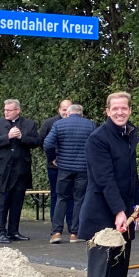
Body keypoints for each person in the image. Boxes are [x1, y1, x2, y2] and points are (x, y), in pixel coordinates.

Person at [79, 92, 139, 277]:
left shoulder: (129, 135)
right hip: (101, 211)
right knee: (102, 265)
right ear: (107, 111)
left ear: (129, 110)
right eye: (115, 109)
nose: (120, 112)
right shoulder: (98, 139)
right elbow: (104, 178)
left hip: (125, 210)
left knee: (120, 262)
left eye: (124, 108)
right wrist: (119, 211)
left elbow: (131, 175)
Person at [0, 99, 41, 243]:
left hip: (21, 169)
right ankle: (1, 232)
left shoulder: (29, 124)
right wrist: (7, 137)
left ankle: (13, 231)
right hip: (2, 170)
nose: (6, 112)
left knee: (17, 202)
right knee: (2, 203)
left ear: (17, 110)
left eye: (9, 110)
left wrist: (22, 137)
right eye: (5, 110)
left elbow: (36, 141)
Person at [43, 103, 95, 243]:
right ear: (81, 114)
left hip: (64, 168)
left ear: (68, 113)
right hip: (83, 169)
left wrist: (52, 158)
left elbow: (47, 143)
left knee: (61, 198)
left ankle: (57, 232)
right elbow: (96, 145)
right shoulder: (90, 125)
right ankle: (75, 233)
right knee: (79, 199)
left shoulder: (59, 124)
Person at [38, 99, 72, 233]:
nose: (66, 112)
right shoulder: (49, 123)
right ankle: (56, 226)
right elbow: (41, 141)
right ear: (59, 110)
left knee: (72, 196)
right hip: (54, 167)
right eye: (64, 109)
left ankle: (72, 225)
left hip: (71, 167)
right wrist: (52, 157)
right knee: (55, 195)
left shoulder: (76, 122)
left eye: (68, 109)